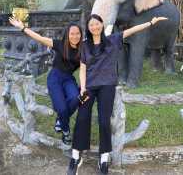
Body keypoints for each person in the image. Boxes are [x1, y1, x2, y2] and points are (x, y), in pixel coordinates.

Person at [67, 14, 167, 175]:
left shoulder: (113, 40)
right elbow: (83, 68)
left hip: (107, 86)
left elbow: (132, 30)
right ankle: (76, 155)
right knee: (82, 117)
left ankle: (104, 158)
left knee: (104, 120)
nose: (94, 27)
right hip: (90, 86)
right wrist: (83, 88)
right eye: (91, 25)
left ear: (101, 24)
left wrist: (150, 22)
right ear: (88, 27)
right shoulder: (85, 45)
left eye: (97, 23)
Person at [9, 17, 83, 145]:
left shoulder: (83, 50)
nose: (75, 36)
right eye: (72, 33)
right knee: (62, 108)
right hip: (55, 77)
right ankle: (66, 132)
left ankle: (60, 119)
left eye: (77, 33)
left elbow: (84, 69)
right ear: (67, 34)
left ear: (81, 35)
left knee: (76, 98)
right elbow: (39, 38)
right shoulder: (60, 44)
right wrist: (23, 28)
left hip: (69, 78)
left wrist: (84, 85)